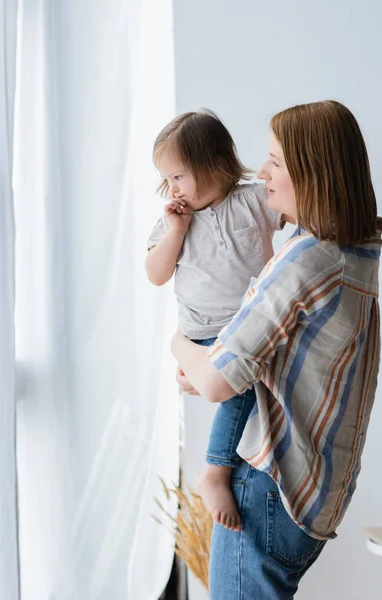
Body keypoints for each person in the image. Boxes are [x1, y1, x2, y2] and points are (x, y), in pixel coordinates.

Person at [171, 100, 381, 599]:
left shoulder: (307, 259)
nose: (261, 172)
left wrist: (179, 344)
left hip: (267, 492)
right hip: (314, 500)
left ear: (313, 174)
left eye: (276, 162)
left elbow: (216, 379)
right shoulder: (360, 252)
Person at [145, 109, 286, 531]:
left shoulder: (254, 201)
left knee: (260, 395)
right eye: (168, 178)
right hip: (203, 334)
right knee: (240, 390)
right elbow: (155, 275)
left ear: (215, 166)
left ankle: (243, 467)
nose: (173, 187)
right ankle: (215, 472)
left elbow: (306, 214)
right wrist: (175, 231)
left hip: (248, 329)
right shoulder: (174, 221)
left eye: (180, 176)